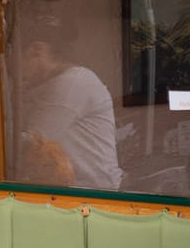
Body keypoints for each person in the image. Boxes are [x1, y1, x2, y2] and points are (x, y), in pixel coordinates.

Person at [17, 14, 123, 191]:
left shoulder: (72, 84)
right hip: (74, 192)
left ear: (37, 51)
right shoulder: (45, 84)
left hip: (95, 196)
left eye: (18, 57)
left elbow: (31, 143)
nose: (13, 68)